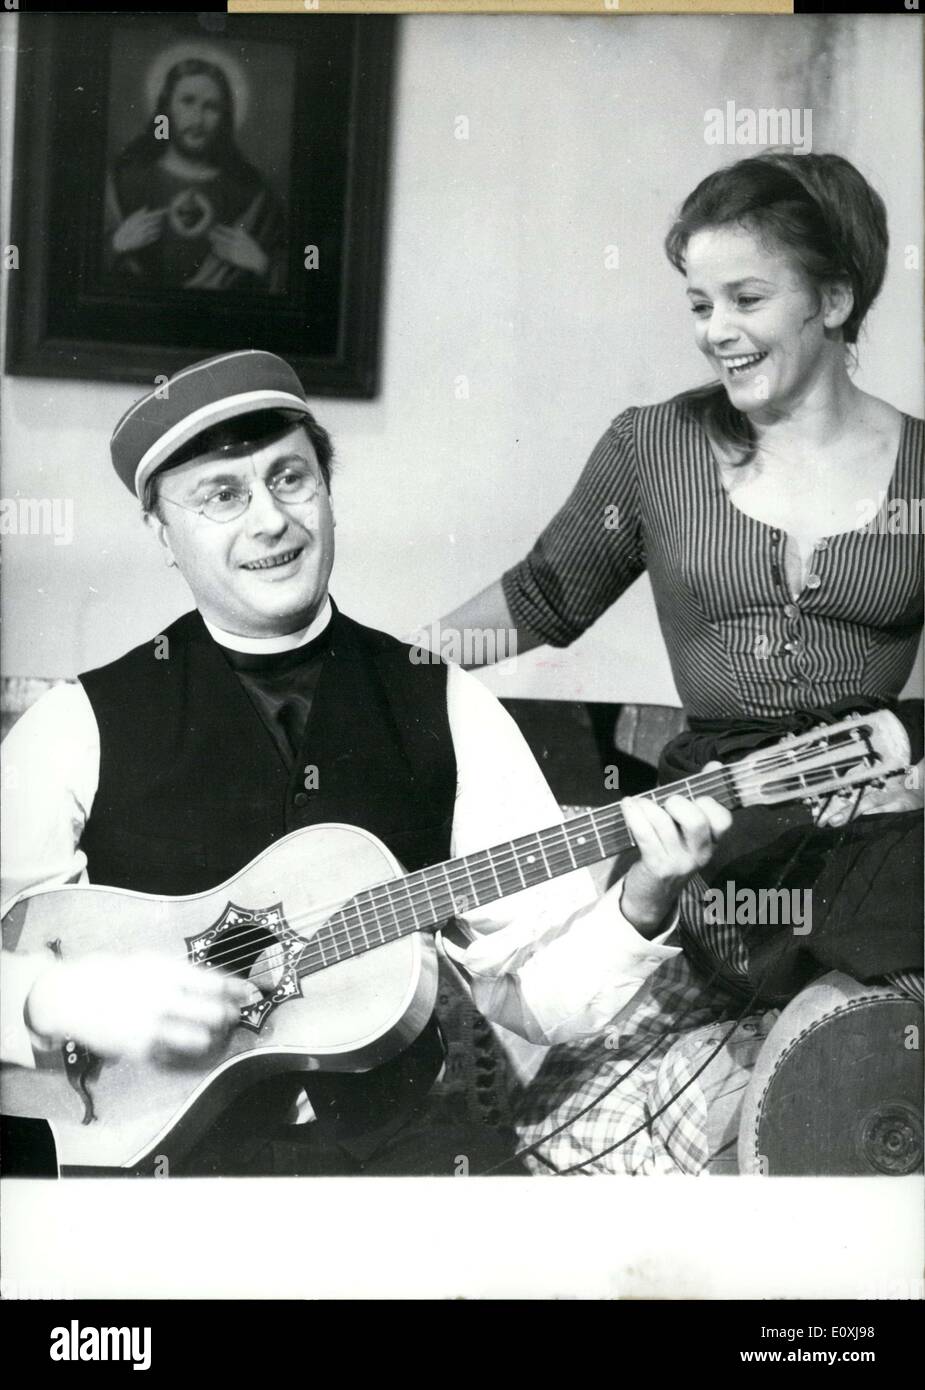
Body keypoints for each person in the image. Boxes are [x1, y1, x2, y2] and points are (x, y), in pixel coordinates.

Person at [0, 349, 733, 1178]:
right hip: (131, 1168)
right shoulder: (76, 724)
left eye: (290, 478)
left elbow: (532, 998)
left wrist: (641, 900)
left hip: (390, 1164)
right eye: (222, 495)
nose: (270, 521)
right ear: (163, 534)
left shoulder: (447, 705)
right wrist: (62, 1000)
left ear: (328, 490)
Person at [438, 151, 924, 1174]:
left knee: (845, 1067)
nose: (715, 331)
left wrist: (904, 746)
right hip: (720, 827)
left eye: (746, 297)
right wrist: (391, 678)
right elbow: (540, 598)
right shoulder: (653, 449)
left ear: (835, 297)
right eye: (699, 302)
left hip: (883, 842)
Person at [104, 58, 285, 292]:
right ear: (167, 107)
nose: (198, 119)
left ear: (224, 116)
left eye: (211, 107)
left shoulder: (252, 193)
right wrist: (115, 245)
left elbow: (299, 277)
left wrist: (261, 263)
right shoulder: (124, 180)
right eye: (187, 102)